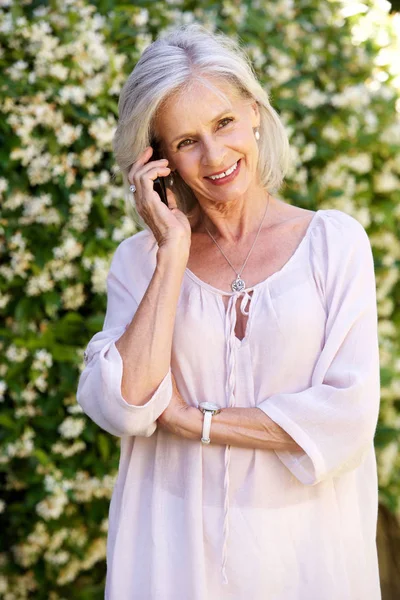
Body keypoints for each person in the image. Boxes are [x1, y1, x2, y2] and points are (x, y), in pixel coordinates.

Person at [77, 23, 382, 600]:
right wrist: (172, 253)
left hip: (304, 559)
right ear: (158, 159)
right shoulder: (141, 261)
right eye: (186, 141)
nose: (215, 156)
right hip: (169, 560)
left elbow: (346, 415)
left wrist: (196, 420)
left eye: (223, 124)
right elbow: (126, 406)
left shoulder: (334, 244)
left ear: (254, 113)